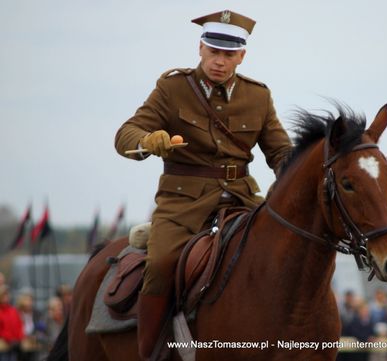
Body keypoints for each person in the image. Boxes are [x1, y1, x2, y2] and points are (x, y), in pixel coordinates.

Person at [114, 9, 292, 360]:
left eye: (229, 55)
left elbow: (281, 152)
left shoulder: (258, 96)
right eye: (214, 52)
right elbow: (125, 135)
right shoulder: (173, 88)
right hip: (182, 204)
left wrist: (300, 171)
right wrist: (149, 141)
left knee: (283, 255)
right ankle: (148, 350)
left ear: (242, 56)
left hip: (242, 198)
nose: (220, 62)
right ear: (200, 48)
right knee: (162, 264)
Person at [0, 285, 24, 361]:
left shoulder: (13, 310)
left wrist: (19, 337)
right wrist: (8, 338)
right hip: (4, 345)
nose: (6, 297)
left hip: (15, 345)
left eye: (7, 294)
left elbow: (19, 325)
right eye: (4, 295)